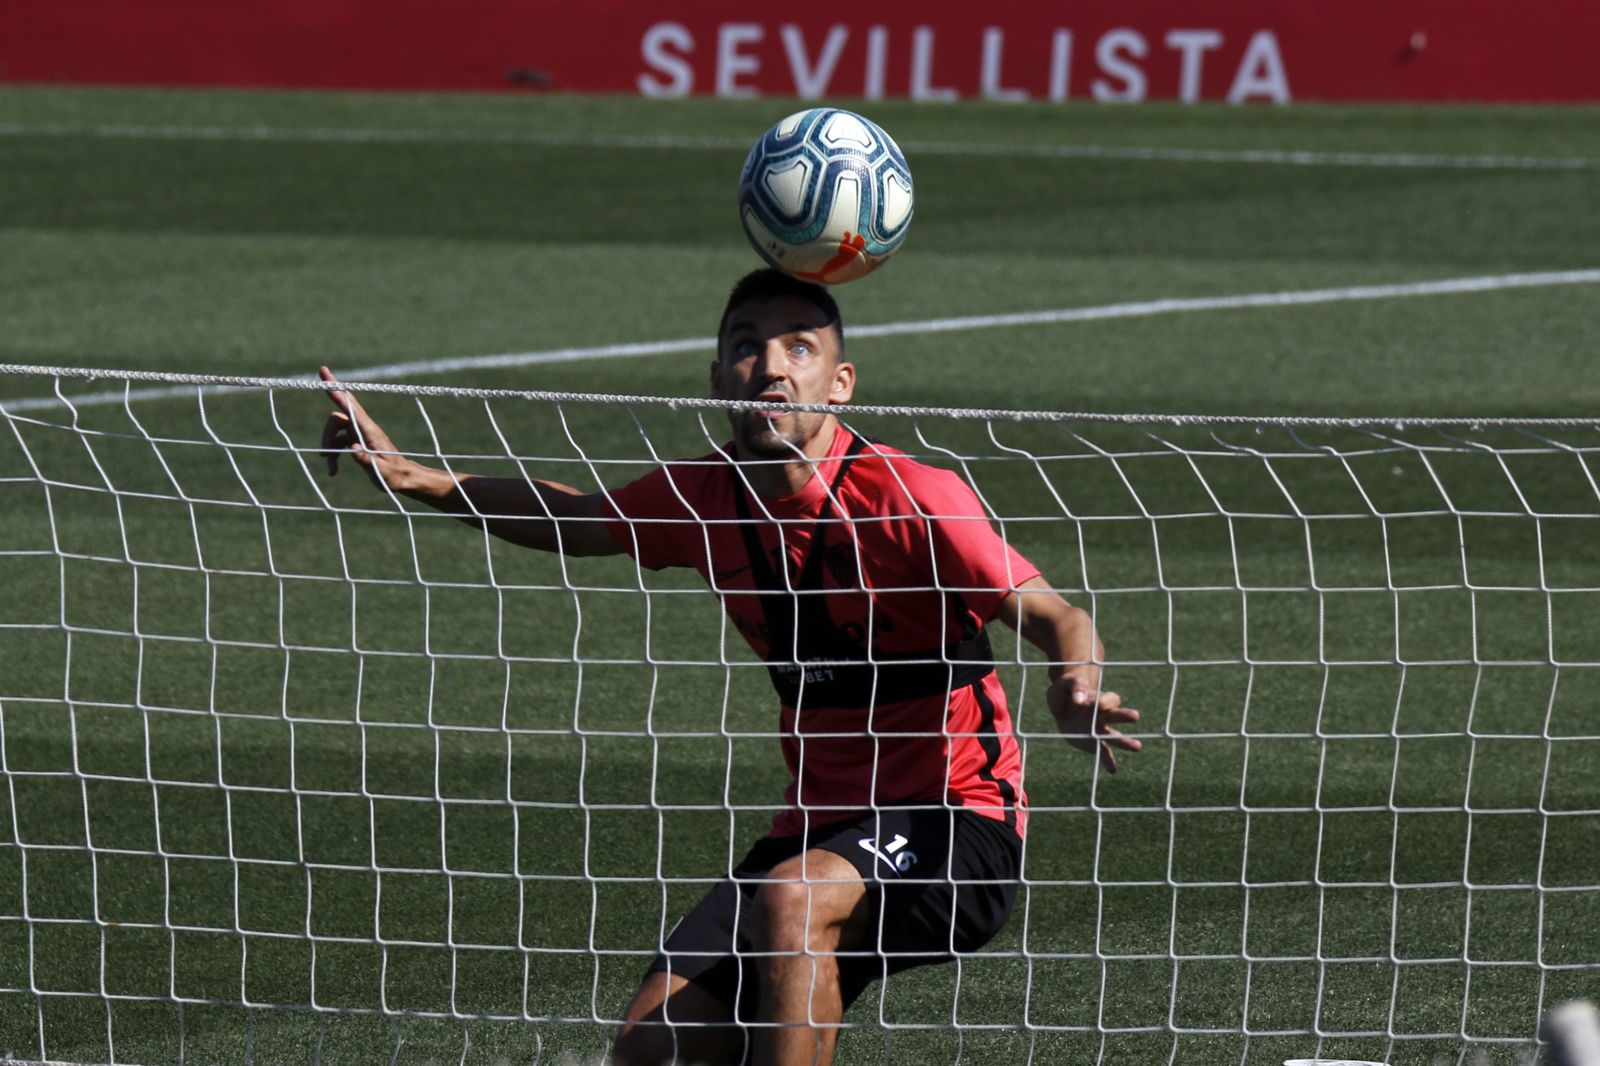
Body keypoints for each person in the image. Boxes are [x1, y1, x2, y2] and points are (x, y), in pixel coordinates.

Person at [318, 268, 1140, 1066]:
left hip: (958, 824)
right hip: (815, 832)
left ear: (841, 383)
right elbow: (574, 519)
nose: (771, 366)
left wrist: (1075, 682)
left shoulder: (911, 497)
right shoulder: (704, 497)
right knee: (654, 1048)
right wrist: (413, 477)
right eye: (747, 346)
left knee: (793, 901)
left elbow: (1056, 614)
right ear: (717, 379)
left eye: (798, 347)